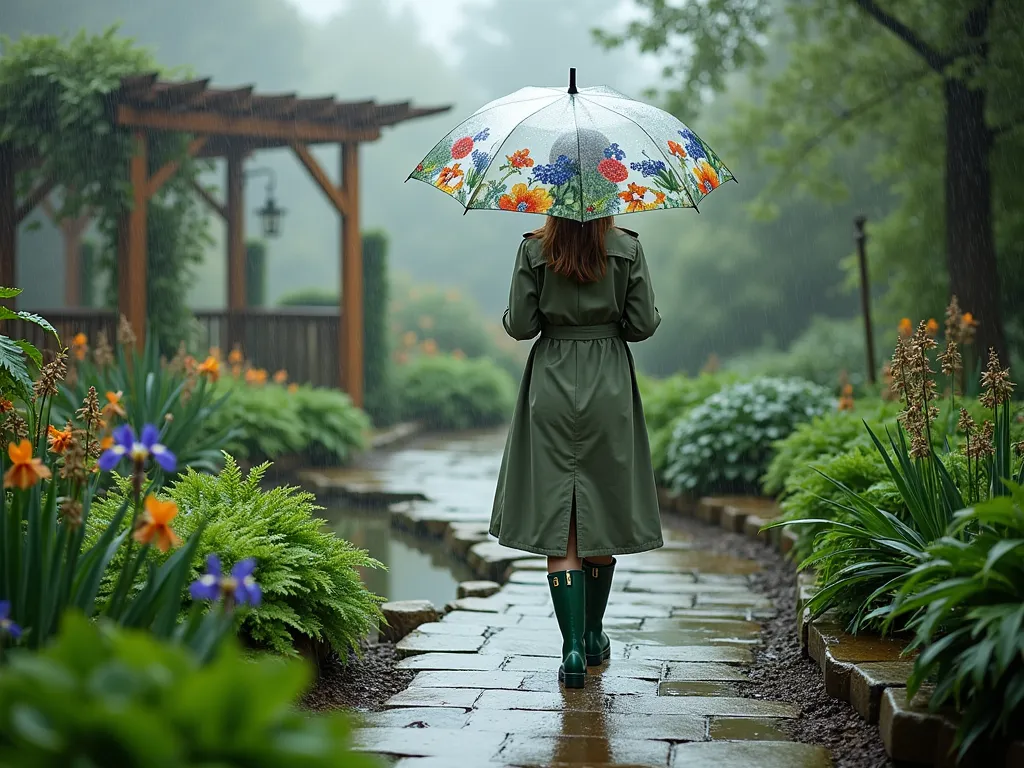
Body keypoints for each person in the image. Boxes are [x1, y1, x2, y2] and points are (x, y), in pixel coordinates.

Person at [489, 182, 663, 689]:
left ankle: (568, 651)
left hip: (552, 381)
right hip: (608, 382)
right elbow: (642, 324)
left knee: (560, 514)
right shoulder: (627, 247)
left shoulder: (533, 249)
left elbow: (520, 325)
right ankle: (592, 636)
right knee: (603, 506)